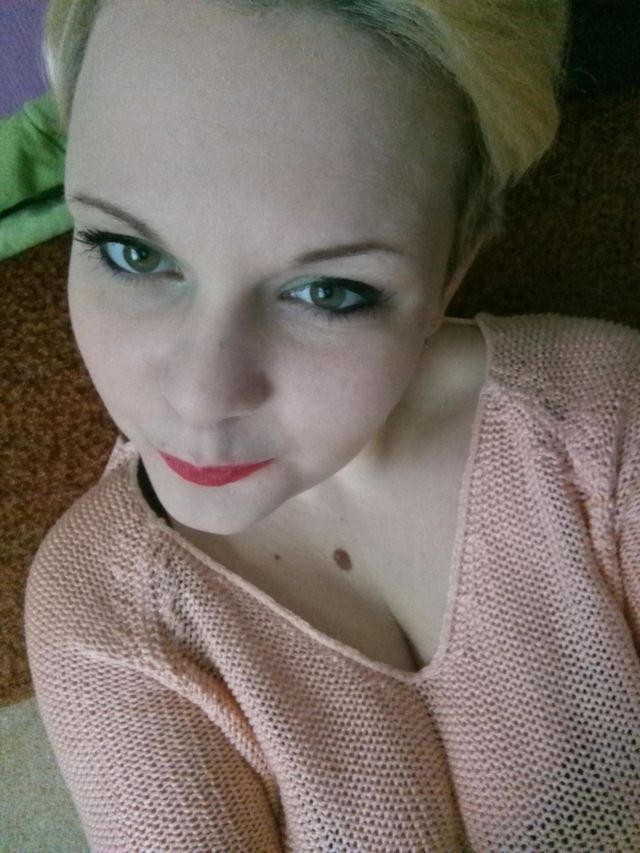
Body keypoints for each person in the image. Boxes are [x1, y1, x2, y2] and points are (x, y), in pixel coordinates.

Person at [23, 0, 640, 849]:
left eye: (328, 292)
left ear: (455, 262)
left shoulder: (607, 431)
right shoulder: (108, 610)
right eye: (132, 252)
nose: (201, 397)